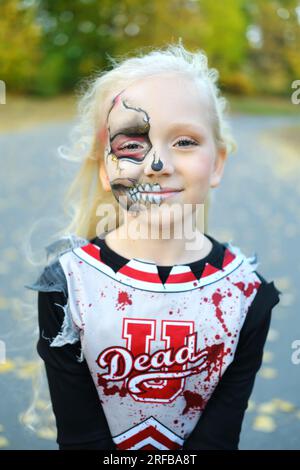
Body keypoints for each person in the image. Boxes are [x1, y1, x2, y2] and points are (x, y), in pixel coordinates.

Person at [25, 41, 281, 450]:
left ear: (217, 163)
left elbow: (218, 439)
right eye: (131, 145)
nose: (157, 164)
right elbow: (80, 438)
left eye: (184, 142)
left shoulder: (245, 295)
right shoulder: (69, 286)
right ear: (106, 167)